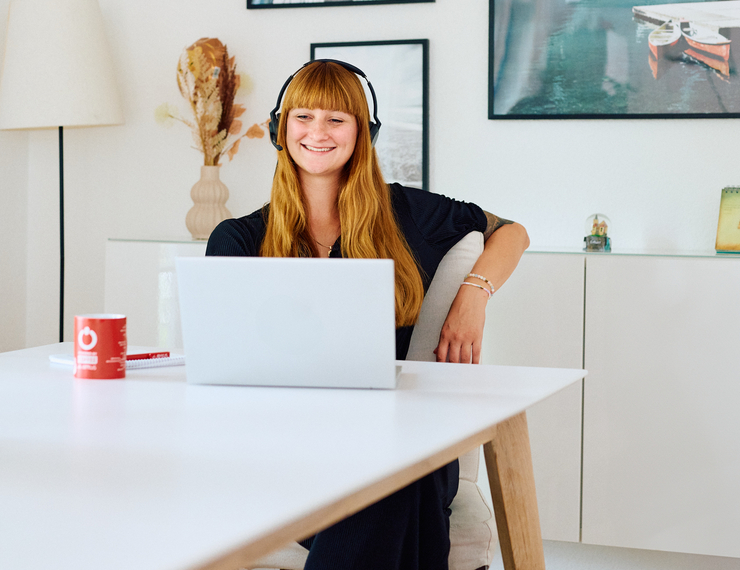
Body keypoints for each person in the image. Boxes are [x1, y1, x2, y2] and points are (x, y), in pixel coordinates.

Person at [206, 60, 529, 570]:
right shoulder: (238, 239)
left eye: (337, 119)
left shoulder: (407, 212)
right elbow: (228, 370)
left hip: (401, 434)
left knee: (399, 464)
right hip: (292, 444)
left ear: (363, 132)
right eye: (303, 117)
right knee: (396, 478)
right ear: (279, 129)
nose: (317, 132)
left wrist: (474, 295)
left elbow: (512, 230)